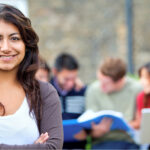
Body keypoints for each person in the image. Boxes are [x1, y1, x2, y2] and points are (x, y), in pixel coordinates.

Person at [0, 4, 63, 149]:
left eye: (14, 38)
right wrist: (33, 147)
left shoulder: (45, 93)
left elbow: (52, 147)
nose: (5, 47)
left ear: (26, 44)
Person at [75, 57, 141, 149]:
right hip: (102, 143)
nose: (101, 86)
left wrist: (127, 126)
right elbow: (90, 130)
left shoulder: (137, 89)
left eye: (105, 83)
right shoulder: (93, 89)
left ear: (120, 81)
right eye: (99, 80)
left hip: (128, 142)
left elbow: (141, 124)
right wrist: (96, 131)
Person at [51, 53, 86, 149]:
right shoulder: (46, 91)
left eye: (73, 78)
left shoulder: (82, 91)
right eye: (66, 79)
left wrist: (87, 132)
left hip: (77, 145)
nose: (70, 83)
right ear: (55, 72)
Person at [130, 62, 150, 129]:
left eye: (146, 77)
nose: (141, 81)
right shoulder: (141, 97)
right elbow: (139, 123)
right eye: (141, 77)